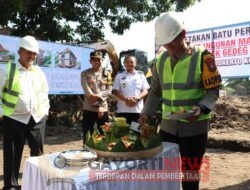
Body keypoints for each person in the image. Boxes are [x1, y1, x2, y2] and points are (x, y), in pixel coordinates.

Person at [138, 12, 221, 190]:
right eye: (165, 43)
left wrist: (201, 108)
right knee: (166, 174)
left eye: (172, 41)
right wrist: (146, 113)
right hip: (168, 128)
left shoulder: (203, 57)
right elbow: (154, 93)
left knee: (190, 177)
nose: (169, 46)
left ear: (183, 34)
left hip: (195, 129)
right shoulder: (159, 62)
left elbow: (213, 91)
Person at [0, 35, 50, 190]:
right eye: (28, 52)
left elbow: (44, 93)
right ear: (20, 51)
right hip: (14, 119)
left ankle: (37, 184)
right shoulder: (8, 70)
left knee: (38, 156)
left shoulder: (39, 72)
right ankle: (11, 186)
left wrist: (45, 112)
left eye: (34, 53)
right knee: (12, 155)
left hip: (37, 118)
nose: (32, 56)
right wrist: (2, 112)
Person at [80, 51, 112, 143]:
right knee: (87, 134)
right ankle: (86, 153)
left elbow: (109, 90)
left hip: (104, 108)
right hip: (89, 108)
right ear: (90, 61)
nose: (96, 61)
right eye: (94, 59)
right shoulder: (84, 74)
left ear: (102, 60)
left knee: (105, 134)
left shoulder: (107, 74)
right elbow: (88, 93)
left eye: (99, 59)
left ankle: (104, 154)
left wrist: (98, 96)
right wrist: (98, 107)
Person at [112, 55, 150, 124]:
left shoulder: (141, 75)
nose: (129, 64)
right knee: (122, 133)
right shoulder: (119, 76)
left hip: (137, 111)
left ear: (135, 63)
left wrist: (137, 98)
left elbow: (146, 90)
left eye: (131, 62)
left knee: (136, 133)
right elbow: (115, 91)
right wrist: (126, 100)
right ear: (124, 64)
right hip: (122, 111)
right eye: (127, 62)